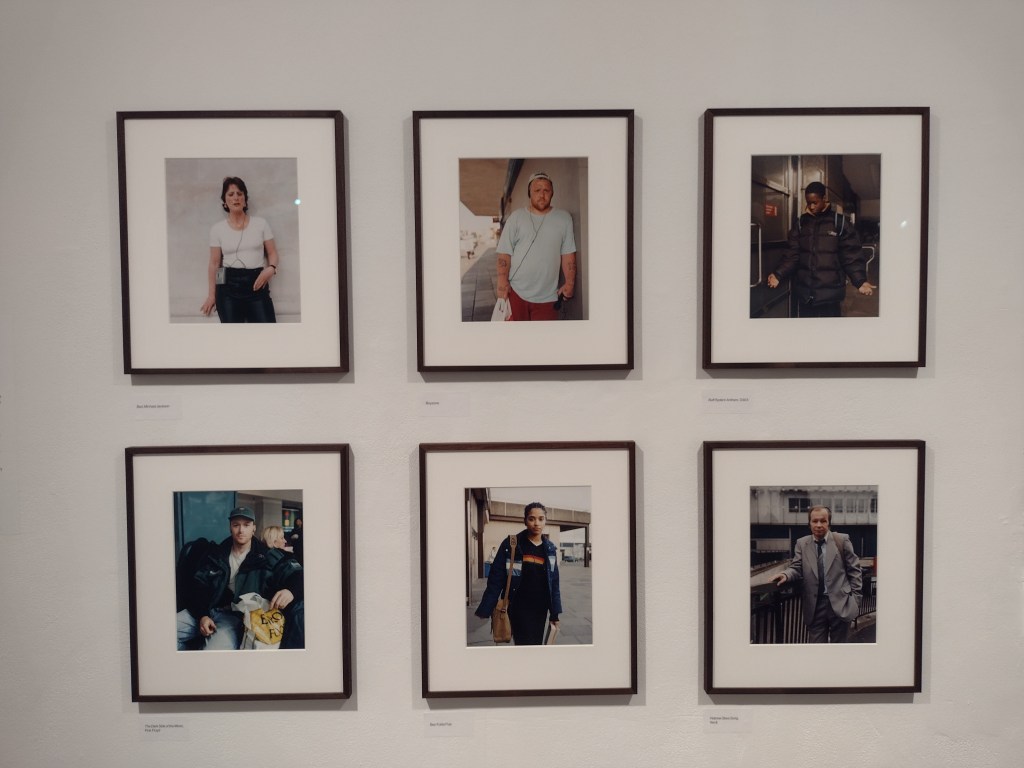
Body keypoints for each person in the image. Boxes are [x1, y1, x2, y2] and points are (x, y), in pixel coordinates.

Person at [176, 506, 304, 650]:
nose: (241, 530)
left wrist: (290, 591)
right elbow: (199, 587)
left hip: (234, 618)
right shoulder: (216, 554)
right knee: (159, 634)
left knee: (213, 653)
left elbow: (298, 574)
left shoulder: (266, 556)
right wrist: (203, 616)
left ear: (254, 528)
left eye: (246, 525)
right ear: (230, 528)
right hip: (204, 612)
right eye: (236, 525)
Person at [766, 181, 874, 317]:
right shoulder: (801, 223)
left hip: (830, 297)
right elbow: (792, 254)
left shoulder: (839, 223)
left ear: (824, 199)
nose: (811, 207)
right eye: (808, 202)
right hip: (805, 295)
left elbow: (851, 255)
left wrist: (860, 281)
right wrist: (778, 274)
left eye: (815, 202)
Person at [772, 505, 862, 643]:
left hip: (841, 604)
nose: (819, 525)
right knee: (816, 648)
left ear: (829, 523)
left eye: (823, 521)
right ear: (809, 523)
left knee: (839, 650)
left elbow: (854, 570)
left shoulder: (842, 540)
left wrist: (855, 601)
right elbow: (797, 566)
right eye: (815, 521)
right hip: (814, 606)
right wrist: (786, 575)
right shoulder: (802, 543)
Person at [474, 502, 561, 645]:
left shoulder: (550, 548)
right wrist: (486, 607)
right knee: (524, 643)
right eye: (532, 519)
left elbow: (554, 583)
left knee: (536, 643)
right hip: (518, 606)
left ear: (546, 520)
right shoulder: (511, 544)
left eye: (541, 519)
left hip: (540, 608)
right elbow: (496, 577)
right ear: (525, 520)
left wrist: (555, 613)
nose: (536, 523)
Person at [495, 171, 577, 321]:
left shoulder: (564, 218)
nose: (542, 194)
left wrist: (570, 283)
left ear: (552, 193)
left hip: (548, 297)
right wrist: (502, 282)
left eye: (546, 190)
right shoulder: (516, 217)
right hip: (516, 293)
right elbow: (504, 253)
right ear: (529, 193)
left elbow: (568, 254)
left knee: (543, 341)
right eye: (537, 190)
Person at [201, 176, 280, 322]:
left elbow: (272, 253)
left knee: (268, 335)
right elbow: (214, 264)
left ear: (245, 198)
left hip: (257, 285)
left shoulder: (261, 224)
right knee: (232, 339)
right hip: (228, 289)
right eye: (230, 194)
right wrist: (212, 295)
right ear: (225, 201)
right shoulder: (217, 229)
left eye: (239, 193)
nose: (235, 198)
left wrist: (271, 269)